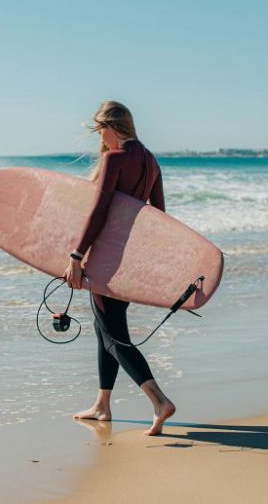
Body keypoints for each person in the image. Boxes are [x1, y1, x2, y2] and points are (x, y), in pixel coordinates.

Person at [62, 100, 175, 436]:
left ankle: (158, 400)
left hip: (105, 258)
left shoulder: (115, 159)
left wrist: (76, 255)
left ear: (110, 127)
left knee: (113, 334)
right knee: (104, 328)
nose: (102, 140)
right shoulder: (150, 161)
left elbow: (98, 212)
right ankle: (102, 405)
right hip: (129, 259)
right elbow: (160, 218)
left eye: (101, 132)